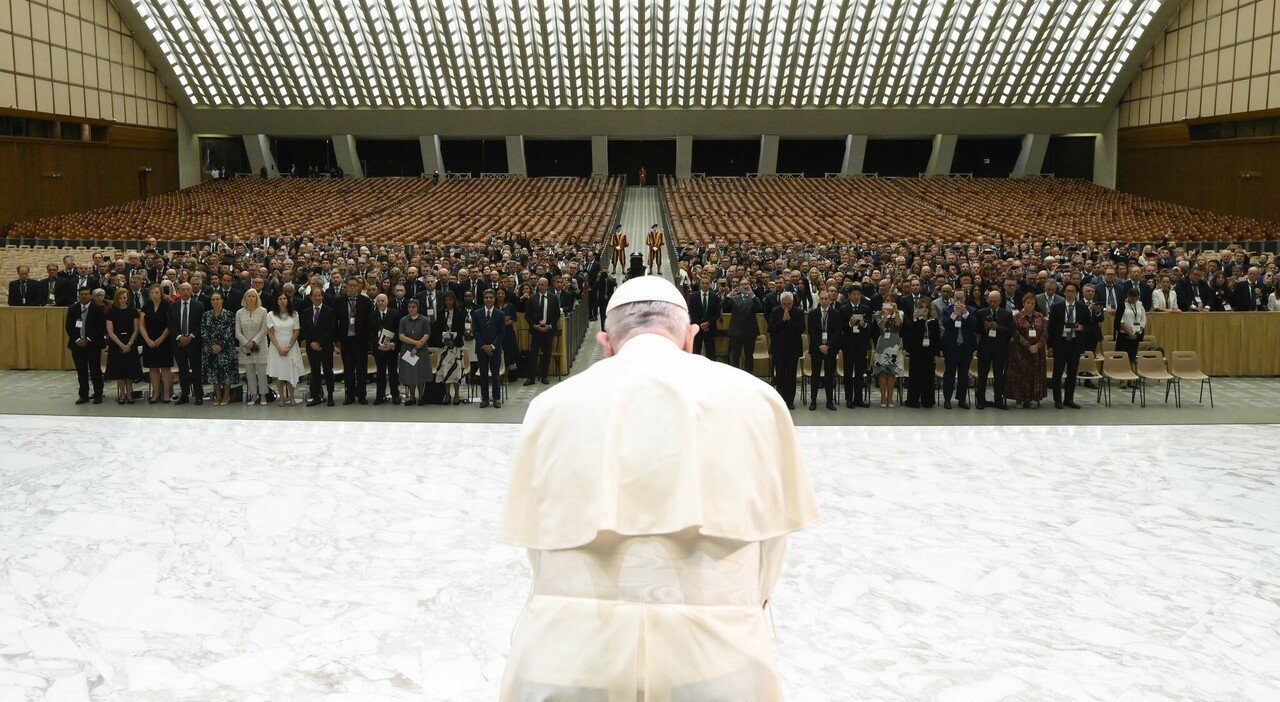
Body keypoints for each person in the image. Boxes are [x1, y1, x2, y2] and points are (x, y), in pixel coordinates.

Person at [499, 275, 818, 701]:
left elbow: (537, 545)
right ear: (689, 338)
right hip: (717, 649)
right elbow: (772, 543)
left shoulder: (549, 406)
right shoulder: (756, 397)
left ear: (606, 343)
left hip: (570, 647)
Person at [1048, 282, 1090, 409]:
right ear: (1064, 293)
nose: (1070, 293)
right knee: (1057, 373)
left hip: (1075, 343)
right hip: (1060, 343)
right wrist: (1050, 346)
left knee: (1072, 374)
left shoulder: (1083, 308)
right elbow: (1051, 328)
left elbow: (1089, 326)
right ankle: (1057, 400)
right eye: (1068, 291)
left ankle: (1069, 399)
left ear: (1076, 293)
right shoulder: (1057, 307)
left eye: (1073, 291)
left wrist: (1081, 327)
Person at [1006, 293, 1047, 408]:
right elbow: (1015, 333)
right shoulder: (1016, 317)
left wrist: (1037, 345)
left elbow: (1045, 333)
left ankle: (1033, 398)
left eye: (1032, 303)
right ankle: (1020, 398)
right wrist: (1028, 345)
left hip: (1037, 351)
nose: (1030, 305)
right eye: (1028, 303)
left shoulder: (1040, 317)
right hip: (1020, 351)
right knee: (1020, 374)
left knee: (1035, 374)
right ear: (1023, 303)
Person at [974, 289, 1013, 410]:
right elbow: (976, 329)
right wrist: (984, 328)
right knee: (982, 376)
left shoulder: (1006, 314)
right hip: (985, 348)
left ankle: (998, 400)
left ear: (1000, 301)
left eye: (995, 301)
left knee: (999, 376)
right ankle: (980, 400)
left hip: (1000, 349)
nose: (992, 304)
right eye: (990, 301)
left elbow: (1011, 331)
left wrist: (998, 327)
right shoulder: (981, 313)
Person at [167, 282, 205, 405]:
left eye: (188, 289)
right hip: (178, 343)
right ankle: (184, 395)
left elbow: (201, 324)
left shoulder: (198, 305)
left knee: (196, 369)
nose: (185, 292)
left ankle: (199, 395)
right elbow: (170, 324)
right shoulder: (173, 306)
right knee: (182, 370)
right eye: (183, 289)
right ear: (179, 291)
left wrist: (191, 336)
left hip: (194, 342)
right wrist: (179, 337)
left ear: (191, 291)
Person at [66, 287, 105, 404]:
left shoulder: (97, 308)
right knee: (81, 371)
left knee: (95, 370)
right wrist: (77, 339)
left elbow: (100, 327)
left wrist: (88, 339)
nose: (84, 296)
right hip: (77, 345)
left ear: (90, 295)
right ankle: (83, 395)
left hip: (93, 344)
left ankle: (98, 394)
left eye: (86, 294)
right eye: (82, 294)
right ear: (79, 295)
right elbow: (69, 327)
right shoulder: (73, 309)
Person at [839, 284, 876, 408]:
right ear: (849, 295)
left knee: (860, 373)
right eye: (853, 294)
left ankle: (858, 399)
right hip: (848, 345)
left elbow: (870, 327)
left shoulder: (866, 308)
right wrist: (850, 323)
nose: (856, 296)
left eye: (858, 294)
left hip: (861, 345)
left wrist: (864, 325)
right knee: (848, 373)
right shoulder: (843, 308)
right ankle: (849, 399)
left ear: (861, 296)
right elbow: (841, 327)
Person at [336, 277, 372, 405]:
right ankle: (349, 396)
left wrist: (368, 340)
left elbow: (369, 323)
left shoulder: (365, 301)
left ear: (358, 287)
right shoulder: (339, 301)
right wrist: (337, 339)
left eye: (353, 285)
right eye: (348, 286)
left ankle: (362, 395)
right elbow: (336, 322)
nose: (351, 288)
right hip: (346, 340)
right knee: (349, 370)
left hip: (360, 340)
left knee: (361, 369)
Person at [766, 291, 804, 409]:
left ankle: (790, 401)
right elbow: (770, 329)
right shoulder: (775, 311)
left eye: (789, 304)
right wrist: (782, 320)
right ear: (780, 302)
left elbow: (802, 329)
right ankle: (781, 400)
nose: (786, 306)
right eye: (784, 304)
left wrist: (790, 320)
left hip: (793, 349)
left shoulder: (798, 312)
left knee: (792, 376)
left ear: (793, 302)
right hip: (779, 349)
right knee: (780, 375)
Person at [301, 286, 337, 407]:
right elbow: (304, 330)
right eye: (315, 295)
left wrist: (320, 343)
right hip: (311, 347)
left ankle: (330, 396)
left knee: (328, 372)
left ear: (322, 296)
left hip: (325, 347)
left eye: (319, 295)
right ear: (311, 297)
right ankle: (316, 396)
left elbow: (331, 329)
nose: (317, 297)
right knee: (314, 372)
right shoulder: (306, 312)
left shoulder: (329, 311)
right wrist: (311, 343)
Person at [104, 288, 141, 404]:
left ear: (128, 298)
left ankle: (129, 393)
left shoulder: (133, 311)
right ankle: (122, 394)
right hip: (116, 343)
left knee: (129, 371)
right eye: (120, 298)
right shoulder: (111, 312)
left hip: (130, 342)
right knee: (119, 371)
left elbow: (136, 329)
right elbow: (110, 331)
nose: (122, 300)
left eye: (124, 298)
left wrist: (129, 343)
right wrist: (121, 345)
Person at [901, 297, 940, 408]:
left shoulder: (934, 322)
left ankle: (927, 401)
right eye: (921, 308)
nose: (924, 310)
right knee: (915, 377)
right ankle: (913, 401)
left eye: (925, 308)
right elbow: (911, 335)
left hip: (929, 352)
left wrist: (936, 354)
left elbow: (937, 339)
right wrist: (915, 319)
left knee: (928, 377)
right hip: (917, 352)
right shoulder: (916, 321)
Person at [266, 293, 304, 406]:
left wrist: (288, 347)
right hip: (276, 346)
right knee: (280, 373)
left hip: (291, 346)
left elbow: (296, 331)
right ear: (277, 301)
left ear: (288, 301)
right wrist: (279, 348)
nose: (282, 301)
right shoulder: (271, 315)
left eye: (284, 299)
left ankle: (292, 397)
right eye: (280, 299)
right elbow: (270, 332)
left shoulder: (294, 314)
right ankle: (281, 397)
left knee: (291, 372)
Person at [940, 293, 976, 410]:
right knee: (949, 374)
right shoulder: (947, 310)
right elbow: (946, 324)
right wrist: (954, 313)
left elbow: (974, 325)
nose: (959, 300)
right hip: (951, 347)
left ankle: (961, 399)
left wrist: (965, 313)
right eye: (956, 297)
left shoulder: (971, 310)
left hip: (965, 347)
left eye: (961, 297)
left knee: (963, 374)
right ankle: (947, 399)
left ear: (965, 298)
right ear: (953, 298)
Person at [807, 290, 841, 411]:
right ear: (819, 299)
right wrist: (820, 345)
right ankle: (813, 401)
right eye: (822, 299)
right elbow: (811, 331)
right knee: (815, 374)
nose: (824, 301)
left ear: (829, 299)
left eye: (826, 299)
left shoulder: (836, 313)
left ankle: (829, 401)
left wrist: (828, 345)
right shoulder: (813, 313)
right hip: (816, 348)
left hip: (830, 348)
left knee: (829, 375)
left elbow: (837, 331)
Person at [201, 292, 237, 406]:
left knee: (227, 373)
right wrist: (213, 345)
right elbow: (203, 331)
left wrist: (220, 345)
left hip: (226, 349)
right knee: (213, 372)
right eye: (213, 299)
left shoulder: (229, 314)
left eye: (218, 299)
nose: (215, 301)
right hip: (211, 349)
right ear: (211, 301)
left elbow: (229, 331)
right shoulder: (206, 315)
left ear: (222, 300)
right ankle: (218, 394)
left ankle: (226, 394)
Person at [235, 288, 270, 406]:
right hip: (245, 347)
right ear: (245, 298)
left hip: (260, 345)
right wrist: (246, 342)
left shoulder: (263, 311)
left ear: (257, 298)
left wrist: (254, 341)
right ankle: (253, 395)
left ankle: (263, 394)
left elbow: (264, 329)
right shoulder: (239, 312)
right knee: (249, 372)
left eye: (253, 296)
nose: (251, 298)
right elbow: (237, 331)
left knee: (261, 371)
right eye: (248, 296)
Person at [139, 284, 173, 403]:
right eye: (152, 293)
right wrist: (147, 339)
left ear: (161, 293)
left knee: (165, 368)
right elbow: (141, 325)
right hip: (149, 341)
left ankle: (167, 394)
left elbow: (169, 325)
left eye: (157, 292)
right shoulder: (146, 307)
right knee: (153, 368)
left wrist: (161, 338)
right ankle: (156, 392)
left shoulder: (167, 306)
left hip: (164, 341)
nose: (154, 295)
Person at [472, 289, 506, 408]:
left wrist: (492, 346)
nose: (489, 299)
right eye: (486, 297)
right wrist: (484, 346)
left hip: (495, 348)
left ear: (494, 299)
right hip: (481, 348)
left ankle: (496, 398)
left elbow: (501, 333)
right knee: (483, 374)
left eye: (491, 297)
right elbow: (475, 331)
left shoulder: (500, 314)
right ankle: (485, 398)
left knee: (495, 374)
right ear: (483, 299)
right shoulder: (476, 313)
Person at [524, 277, 560, 386]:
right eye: (539, 284)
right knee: (533, 354)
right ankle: (531, 377)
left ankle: (544, 376)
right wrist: (534, 325)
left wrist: (550, 326)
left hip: (548, 330)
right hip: (536, 330)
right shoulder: (532, 298)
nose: (540, 286)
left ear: (547, 285)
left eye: (542, 285)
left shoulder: (553, 298)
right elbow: (527, 315)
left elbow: (556, 315)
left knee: (547, 354)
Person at [368, 293, 402, 405]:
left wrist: (393, 344)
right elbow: (371, 334)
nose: (381, 303)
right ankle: (380, 396)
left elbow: (399, 331)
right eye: (379, 301)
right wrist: (377, 345)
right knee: (380, 373)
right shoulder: (372, 315)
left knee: (393, 373)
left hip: (391, 349)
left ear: (387, 301)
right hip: (379, 349)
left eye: (383, 300)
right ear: (376, 303)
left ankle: (395, 395)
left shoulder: (395, 313)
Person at [398, 299, 432, 406]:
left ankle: (421, 397)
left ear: (418, 308)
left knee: (420, 374)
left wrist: (417, 346)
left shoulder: (424, 320)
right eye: (409, 307)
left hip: (421, 351)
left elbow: (426, 335)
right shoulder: (403, 320)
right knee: (410, 374)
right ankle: (412, 397)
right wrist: (415, 342)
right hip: (407, 351)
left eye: (413, 307)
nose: (411, 309)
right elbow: (401, 336)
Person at [725, 279, 763, 372]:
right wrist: (730, 294)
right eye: (742, 284)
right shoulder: (734, 298)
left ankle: (749, 376)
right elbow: (724, 307)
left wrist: (752, 294)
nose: (744, 286)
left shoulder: (753, 298)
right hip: (736, 332)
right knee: (735, 357)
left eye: (746, 284)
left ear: (749, 285)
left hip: (750, 332)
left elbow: (760, 308)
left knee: (749, 356)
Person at [873, 301, 904, 408]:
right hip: (882, 345)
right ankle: (882, 397)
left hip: (894, 344)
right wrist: (886, 314)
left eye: (891, 301)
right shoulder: (879, 313)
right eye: (887, 302)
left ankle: (890, 397)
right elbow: (881, 326)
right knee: (882, 372)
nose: (889, 304)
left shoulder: (900, 313)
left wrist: (895, 312)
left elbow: (899, 325)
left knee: (891, 372)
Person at [1115, 286, 1147, 374]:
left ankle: (1131, 378)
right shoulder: (1122, 305)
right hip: (1124, 335)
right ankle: (1122, 379)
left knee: (1132, 357)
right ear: (1128, 296)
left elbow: (1143, 320)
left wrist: (1136, 333)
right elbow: (1120, 321)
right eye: (1132, 297)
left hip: (1136, 334)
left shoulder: (1140, 305)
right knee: (1123, 357)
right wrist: (1130, 334)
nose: (1134, 299)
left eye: (1136, 297)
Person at [688, 274, 721, 360]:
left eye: (707, 283)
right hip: (697, 328)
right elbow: (691, 313)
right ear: (700, 284)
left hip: (710, 328)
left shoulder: (715, 297)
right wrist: (701, 325)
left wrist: (708, 323)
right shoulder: (693, 297)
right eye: (703, 283)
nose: (705, 285)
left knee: (711, 352)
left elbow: (717, 313)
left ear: (710, 284)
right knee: (696, 352)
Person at [495, 288, 520, 381]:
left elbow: (513, 319)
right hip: (495, 334)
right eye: (498, 293)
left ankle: (506, 376)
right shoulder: (493, 306)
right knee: (497, 354)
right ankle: (497, 376)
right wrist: (503, 320)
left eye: (502, 293)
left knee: (508, 355)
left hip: (508, 333)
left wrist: (501, 323)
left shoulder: (510, 306)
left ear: (505, 295)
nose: (500, 295)